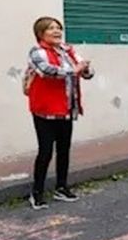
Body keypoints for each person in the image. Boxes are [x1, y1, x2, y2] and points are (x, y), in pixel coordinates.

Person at [24, 16, 93, 209]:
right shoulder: (37, 52)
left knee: (64, 149)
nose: (57, 32)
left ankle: (61, 187)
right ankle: (37, 192)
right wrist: (75, 70)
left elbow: (86, 71)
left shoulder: (67, 50)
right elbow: (46, 71)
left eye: (58, 28)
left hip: (66, 108)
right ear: (40, 33)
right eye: (51, 28)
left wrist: (85, 69)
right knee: (45, 151)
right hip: (45, 110)